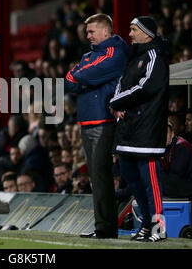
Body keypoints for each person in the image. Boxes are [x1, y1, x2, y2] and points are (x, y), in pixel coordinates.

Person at [65, 13, 129, 239]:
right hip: (88, 120)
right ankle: (103, 225)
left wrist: (80, 76)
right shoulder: (90, 55)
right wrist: (81, 76)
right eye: (87, 32)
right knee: (96, 177)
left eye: (91, 32)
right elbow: (69, 82)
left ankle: (106, 228)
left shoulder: (115, 52)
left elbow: (83, 75)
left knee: (101, 176)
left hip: (103, 120)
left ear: (106, 31)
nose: (87, 35)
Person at [109, 16, 170, 242]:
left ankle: (158, 228)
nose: (130, 34)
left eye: (134, 30)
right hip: (129, 130)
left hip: (147, 130)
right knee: (132, 179)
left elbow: (146, 88)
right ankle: (146, 224)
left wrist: (117, 103)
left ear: (147, 33)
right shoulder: (134, 58)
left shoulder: (155, 56)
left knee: (150, 182)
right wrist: (116, 106)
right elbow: (121, 86)